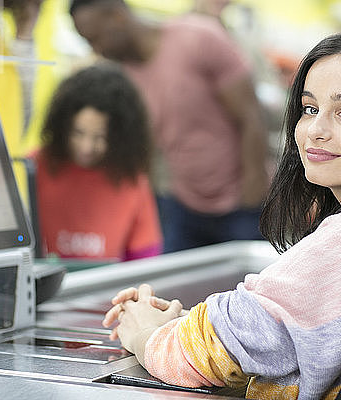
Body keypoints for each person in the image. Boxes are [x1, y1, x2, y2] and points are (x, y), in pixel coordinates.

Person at [101, 31, 341, 399]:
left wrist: (144, 331)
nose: (316, 131)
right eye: (310, 108)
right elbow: (272, 336)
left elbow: (200, 356)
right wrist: (182, 324)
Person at [70, 0, 270, 253]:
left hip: (240, 205)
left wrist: (252, 190)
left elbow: (251, 115)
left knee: (247, 288)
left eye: (96, 38)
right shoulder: (125, 75)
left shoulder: (197, 37)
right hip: (183, 205)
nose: (96, 49)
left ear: (117, 17)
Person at [35, 63, 162, 261]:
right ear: (63, 126)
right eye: (78, 133)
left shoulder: (131, 179)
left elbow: (145, 259)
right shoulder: (35, 166)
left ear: (120, 137)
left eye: (99, 138)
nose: (86, 147)